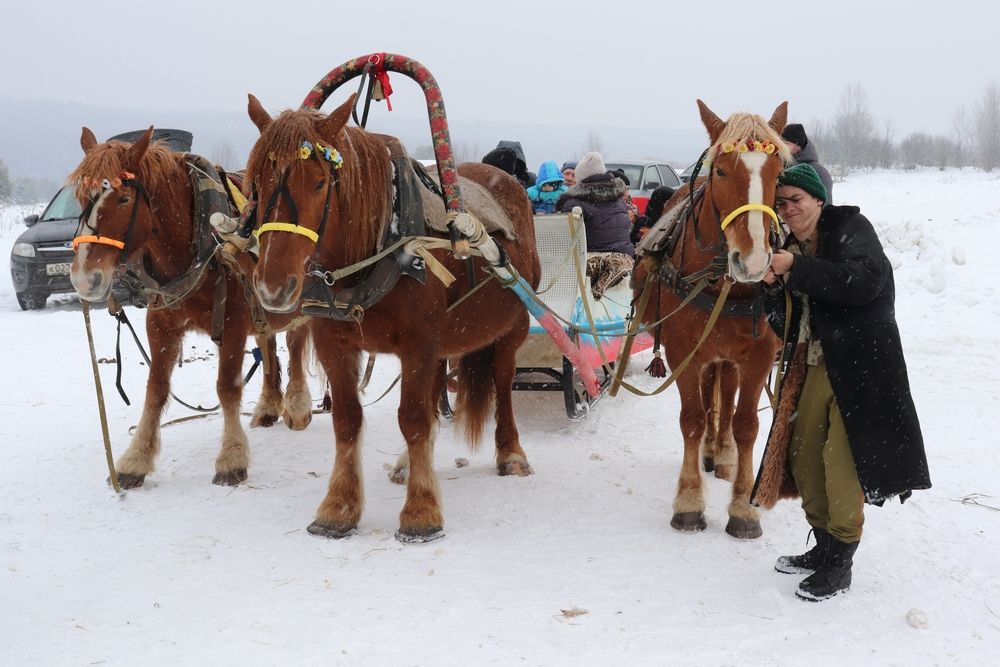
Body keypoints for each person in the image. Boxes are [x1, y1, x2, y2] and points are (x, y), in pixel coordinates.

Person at [751, 163, 931, 602]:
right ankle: (824, 544)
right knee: (804, 455)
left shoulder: (849, 226)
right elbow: (785, 321)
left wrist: (797, 267)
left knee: (841, 464)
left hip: (862, 367)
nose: (788, 208)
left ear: (818, 200)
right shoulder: (790, 245)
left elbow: (865, 282)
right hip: (812, 364)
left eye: (795, 199)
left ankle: (840, 562)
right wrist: (774, 288)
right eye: (781, 203)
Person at [557, 151, 634, 257]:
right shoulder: (619, 201)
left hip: (594, 263)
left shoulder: (574, 204)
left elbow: (563, 241)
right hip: (624, 261)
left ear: (580, 179)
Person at [781, 123, 834, 204]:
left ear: (798, 144)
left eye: (786, 144)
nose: (781, 147)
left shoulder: (819, 172)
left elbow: (826, 206)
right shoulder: (779, 168)